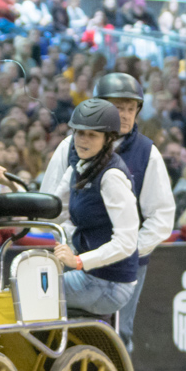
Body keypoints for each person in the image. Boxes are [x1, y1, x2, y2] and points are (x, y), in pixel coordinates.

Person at [39, 72, 172, 350]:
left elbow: (161, 218)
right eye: (117, 107)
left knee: (119, 334)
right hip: (78, 257)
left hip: (123, 263)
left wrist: (125, 252)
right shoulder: (71, 147)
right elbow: (52, 204)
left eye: (130, 108)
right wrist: (72, 248)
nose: (124, 114)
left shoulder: (148, 153)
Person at [41, 99, 140, 317]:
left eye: (92, 135)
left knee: (30, 292)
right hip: (91, 275)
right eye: (79, 133)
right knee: (28, 281)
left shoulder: (111, 176)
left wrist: (78, 261)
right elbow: (54, 211)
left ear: (108, 139)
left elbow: (127, 242)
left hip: (110, 283)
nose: (83, 140)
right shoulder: (80, 165)